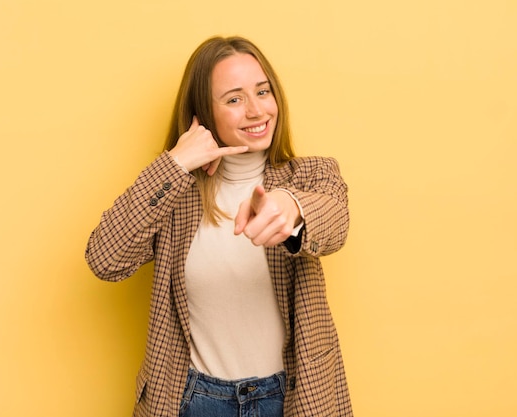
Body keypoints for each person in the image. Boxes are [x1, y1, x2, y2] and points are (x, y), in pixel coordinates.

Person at [85, 35, 353, 417]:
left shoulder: (311, 175)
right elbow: (104, 259)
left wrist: (290, 207)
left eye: (263, 92)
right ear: (203, 116)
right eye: (234, 99)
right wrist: (175, 162)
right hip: (195, 400)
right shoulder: (176, 194)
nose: (257, 110)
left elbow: (335, 222)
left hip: (290, 397)